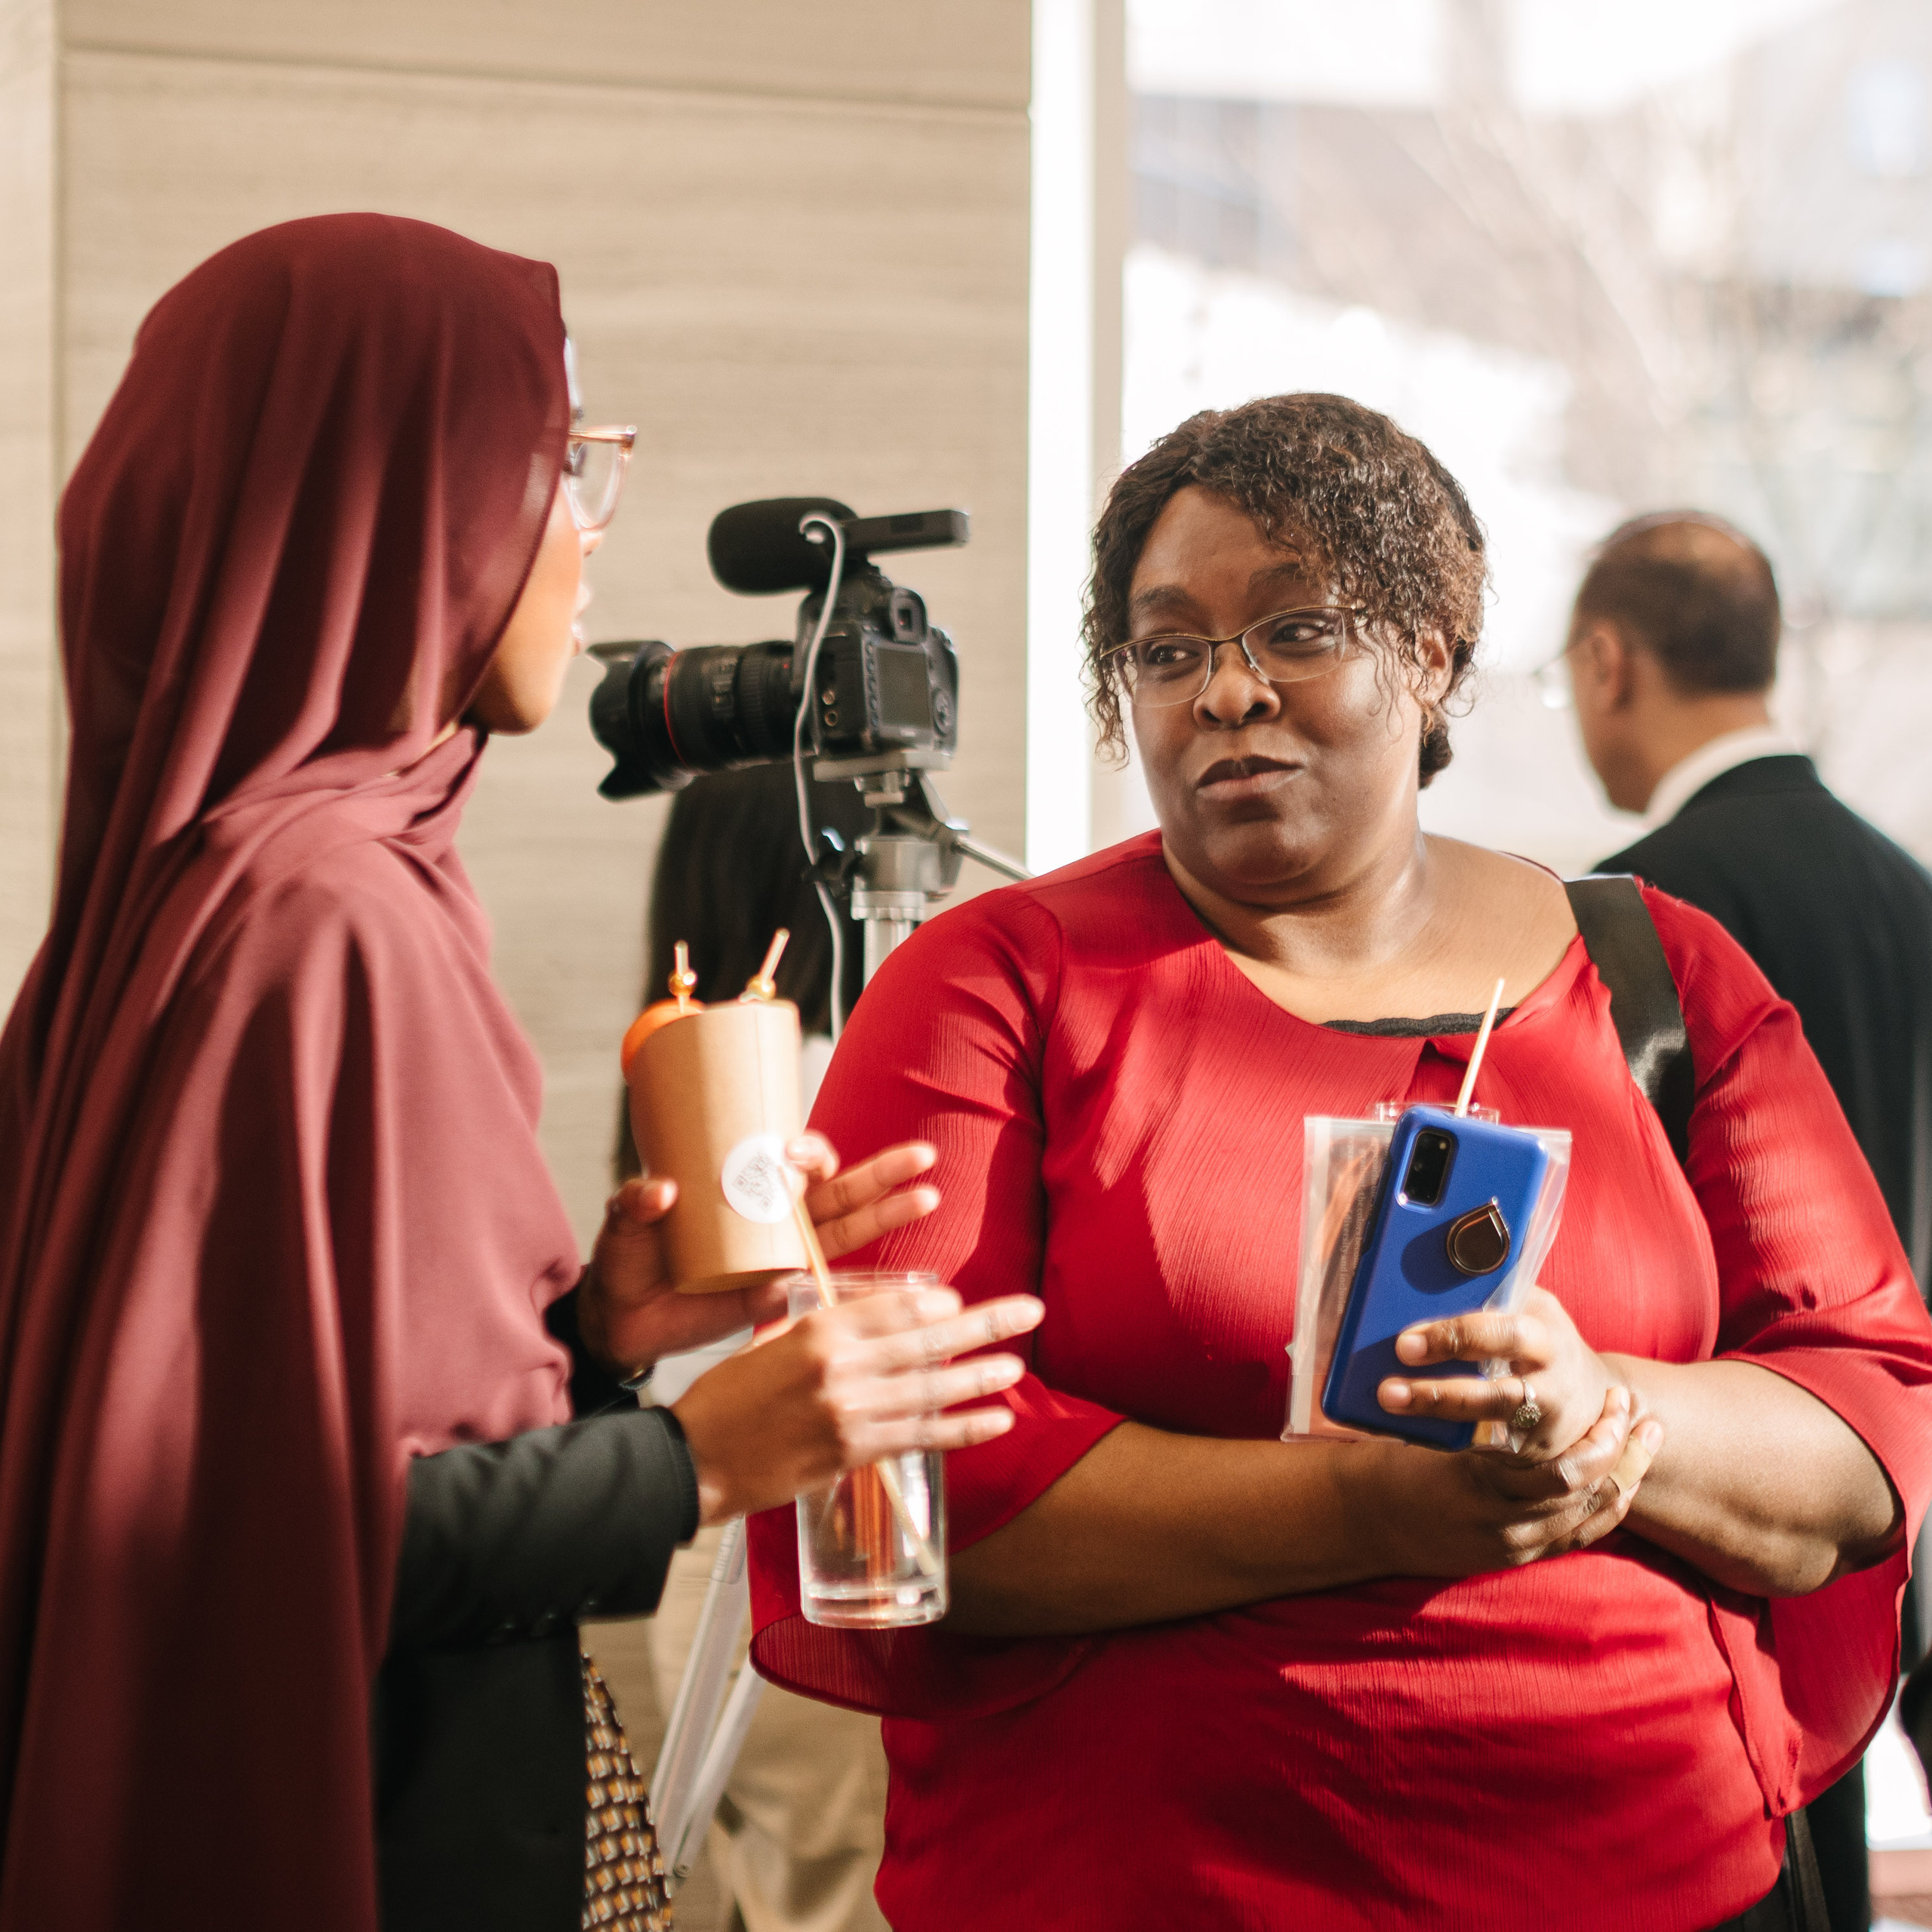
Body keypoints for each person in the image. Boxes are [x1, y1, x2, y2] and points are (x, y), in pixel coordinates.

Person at [745, 392, 1932, 1930]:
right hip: (1154, 1887)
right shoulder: (998, 987)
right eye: (1167, 650)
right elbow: (889, 1479)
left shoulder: (1659, 973)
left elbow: (1865, 1418)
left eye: (1292, 629)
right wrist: (1370, 1510)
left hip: (1661, 1877)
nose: (1226, 690)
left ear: (1429, 649)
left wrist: (1605, 1416)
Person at [0, 214, 1044, 1932]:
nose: (583, 536)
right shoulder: (330, 915)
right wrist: (706, 1457)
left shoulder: (208, 897)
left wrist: (591, 1340)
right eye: (557, 463)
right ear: (389, 498)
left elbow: (273, 1448)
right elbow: (282, 1544)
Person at [1556, 510, 1932, 1932]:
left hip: (1755, 1474)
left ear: (1609, 661)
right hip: (1912, 1447)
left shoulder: (1634, 923)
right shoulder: (1913, 891)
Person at [598, 764, 890, 1932]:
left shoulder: (680, 1089)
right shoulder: (827, 1082)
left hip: (693, 1562)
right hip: (810, 1548)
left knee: (774, 1899)